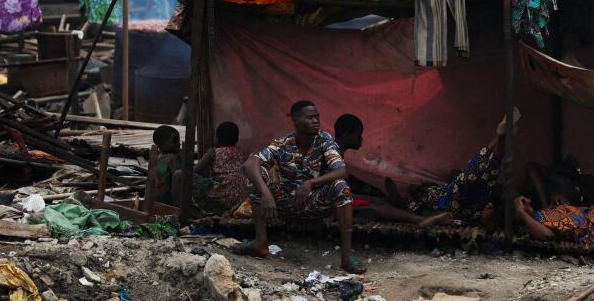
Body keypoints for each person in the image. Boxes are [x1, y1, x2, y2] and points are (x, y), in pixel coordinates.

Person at [238, 101, 364, 273]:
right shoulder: (283, 143)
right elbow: (249, 164)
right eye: (310, 118)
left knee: (341, 186)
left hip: (314, 203)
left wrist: (310, 183)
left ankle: (347, 258)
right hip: (283, 204)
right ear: (296, 121)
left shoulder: (324, 140)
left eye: (317, 117)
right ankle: (260, 243)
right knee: (259, 175)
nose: (316, 121)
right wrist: (266, 193)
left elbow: (341, 171)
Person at [332, 114, 451, 227]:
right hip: (331, 205)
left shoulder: (336, 153)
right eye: (358, 135)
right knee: (377, 207)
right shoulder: (332, 156)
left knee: (380, 200)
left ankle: (406, 209)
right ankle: (419, 220)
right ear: (346, 135)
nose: (361, 139)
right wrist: (368, 199)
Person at [190, 121, 250, 217]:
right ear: (236, 139)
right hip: (241, 196)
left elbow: (193, 171)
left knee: (184, 176)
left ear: (217, 138)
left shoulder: (213, 152)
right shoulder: (241, 152)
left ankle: (191, 213)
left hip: (224, 192)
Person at [152, 125, 182, 206]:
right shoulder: (174, 157)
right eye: (174, 142)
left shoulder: (157, 157)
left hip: (155, 198)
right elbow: (179, 178)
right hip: (169, 198)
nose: (178, 144)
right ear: (161, 145)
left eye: (178, 141)